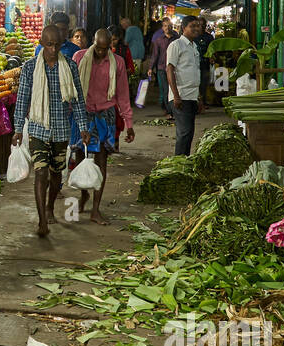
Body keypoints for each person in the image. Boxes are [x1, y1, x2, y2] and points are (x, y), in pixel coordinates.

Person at [13, 26, 92, 238]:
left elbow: (77, 100)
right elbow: (22, 100)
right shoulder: (30, 68)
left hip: (61, 131)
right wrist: (18, 129)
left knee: (57, 174)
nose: (53, 48)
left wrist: (83, 126)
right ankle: (41, 221)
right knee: (41, 173)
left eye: (57, 44)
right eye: (49, 44)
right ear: (41, 42)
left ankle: (50, 206)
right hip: (38, 129)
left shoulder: (70, 67)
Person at [68, 29, 135, 224]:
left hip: (105, 115)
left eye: (105, 49)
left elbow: (122, 94)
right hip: (83, 113)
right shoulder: (79, 57)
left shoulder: (118, 63)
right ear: (93, 43)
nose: (100, 53)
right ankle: (83, 194)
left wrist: (129, 123)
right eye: (98, 48)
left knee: (102, 160)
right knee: (80, 156)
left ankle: (95, 209)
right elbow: (72, 88)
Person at [166, 15, 204, 156]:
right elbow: (169, 69)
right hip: (181, 96)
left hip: (192, 96)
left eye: (197, 25)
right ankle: (179, 163)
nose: (196, 28)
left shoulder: (194, 47)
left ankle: (184, 161)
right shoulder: (176, 45)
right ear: (184, 28)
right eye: (192, 26)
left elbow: (195, 73)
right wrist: (176, 95)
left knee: (189, 133)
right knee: (184, 133)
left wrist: (199, 97)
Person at [147, 16, 174, 119]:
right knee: (165, 90)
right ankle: (168, 111)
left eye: (169, 26)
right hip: (162, 68)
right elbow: (155, 55)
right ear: (162, 28)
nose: (167, 28)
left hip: (173, 68)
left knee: (171, 89)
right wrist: (150, 68)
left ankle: (170, 110)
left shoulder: (176, 39)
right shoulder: (159, 40)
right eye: (165, 26)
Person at [193, 17, 215, 105]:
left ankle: (203, 102)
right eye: (200, 25)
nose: (201, 27)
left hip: (205, 64)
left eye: (203, 25)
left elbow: (212, 50)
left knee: (203, 84)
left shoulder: (209, 37)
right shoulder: (193, 36)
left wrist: (211, 57)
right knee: (195, 84)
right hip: (194, 65)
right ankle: (196, 102)